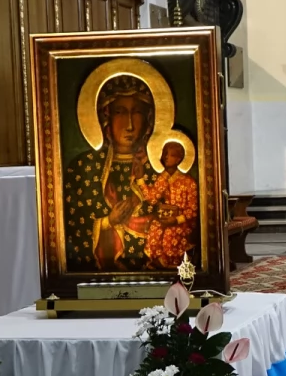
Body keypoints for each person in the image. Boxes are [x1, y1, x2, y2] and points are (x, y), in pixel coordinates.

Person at [64, 75, 158, 271]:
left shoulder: (157, 168)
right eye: (120, 112)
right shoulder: (83, 167)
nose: (130, 125)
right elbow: (70, 227)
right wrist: (107, 222)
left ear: (149, 118)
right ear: (106, 117)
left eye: (137, 113)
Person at [136, 140, 199, 269]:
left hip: (182, 222)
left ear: (178, 159)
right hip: (166, 218)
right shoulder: (163, 178)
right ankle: (157, 262)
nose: (165, 157)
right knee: (155, 228)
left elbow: (192, 209)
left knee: (171, 233)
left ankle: (169, 264)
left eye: (169, 154)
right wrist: (140, 179)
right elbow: (152, 198)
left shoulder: (188, 181)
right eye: (164, 153)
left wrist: (176, 220)